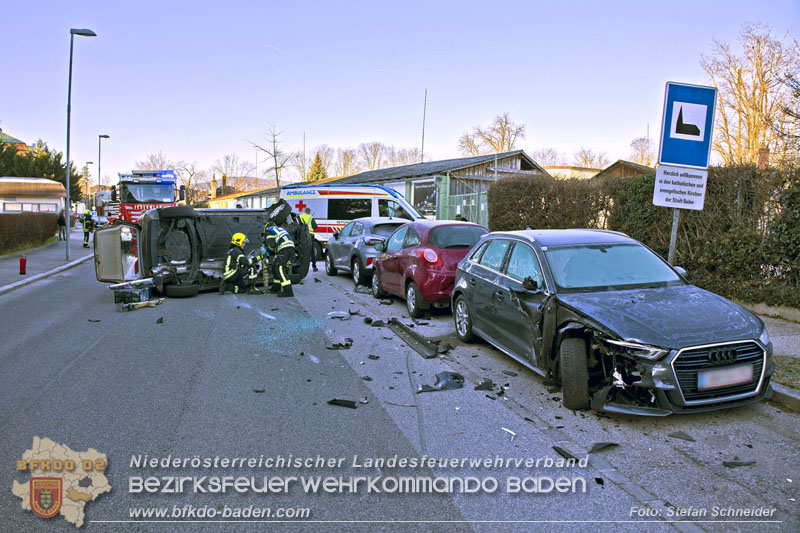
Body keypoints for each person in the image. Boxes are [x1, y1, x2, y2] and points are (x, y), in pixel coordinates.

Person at [262, 221, 295, 297]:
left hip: (284, 248)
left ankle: (288, 290)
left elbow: (272, 245)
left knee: (280, 268)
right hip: (290, 248)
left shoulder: (269, 230)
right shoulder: (279, 229)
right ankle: (276, 287)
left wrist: (267, 250)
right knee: (276, 267)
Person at [299, 207, 319, 271]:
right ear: (309, 212)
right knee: (312, 251)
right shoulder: (310, 217)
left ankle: (300, 266)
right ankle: (314, 266)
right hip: (310, 236)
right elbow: (315, 227)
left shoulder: (300, 216)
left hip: (301, 236)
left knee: (301, 251)